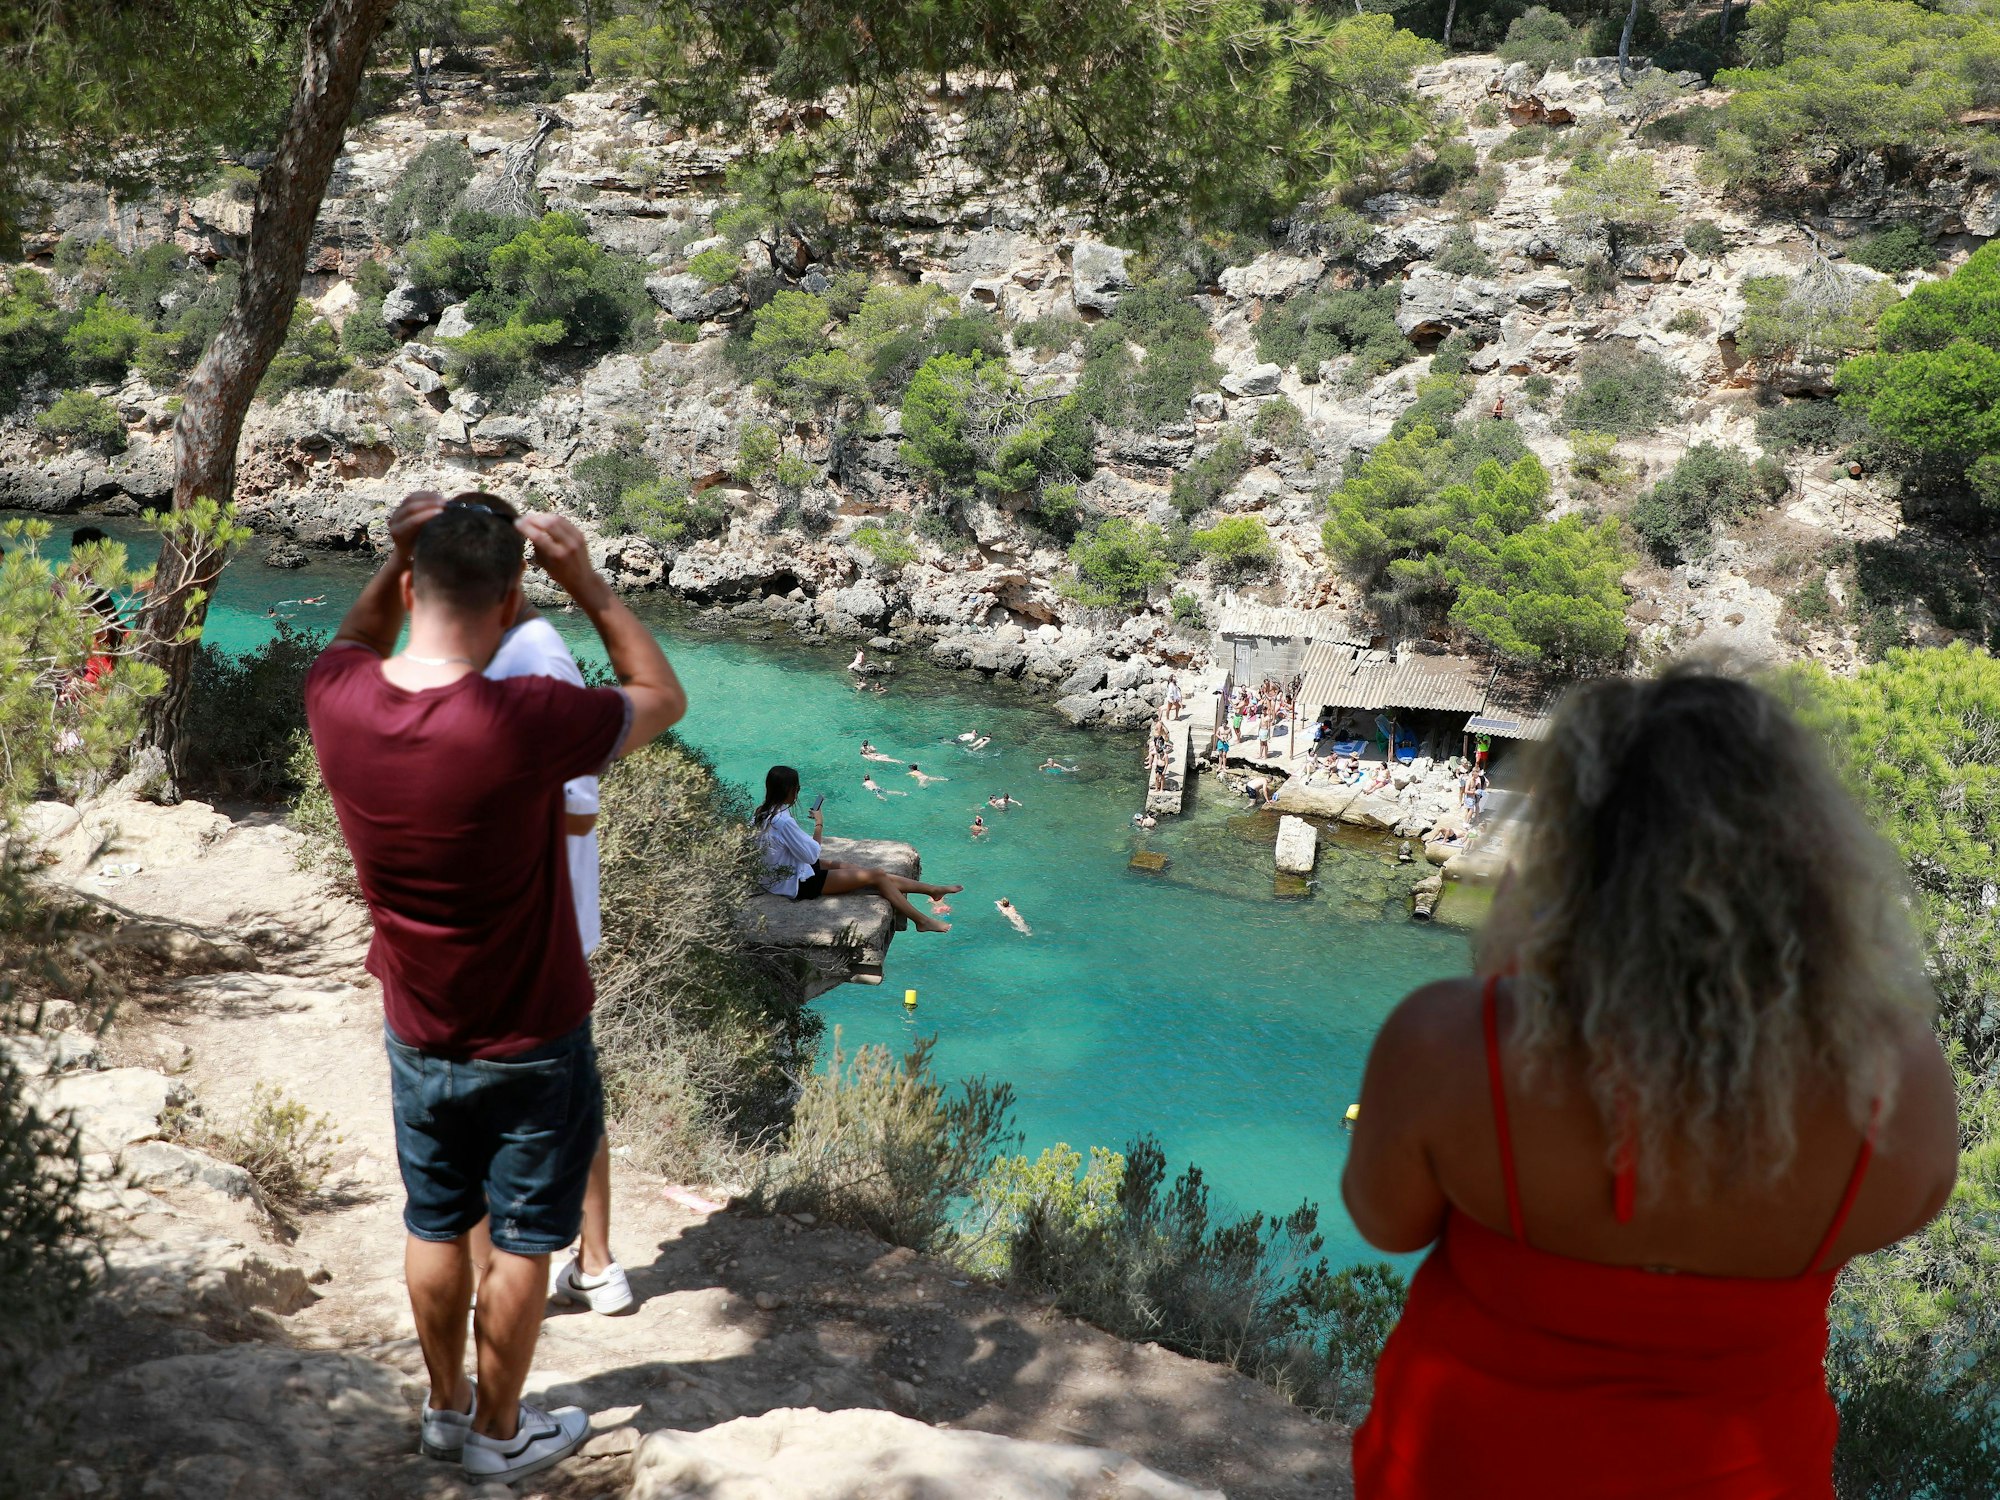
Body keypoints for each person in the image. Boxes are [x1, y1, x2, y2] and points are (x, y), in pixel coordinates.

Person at [1342, 665, 1958, 1498]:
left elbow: (1386, 1223)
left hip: (1467, 1465)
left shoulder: (1454, 1043)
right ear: (1810, 862)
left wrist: (1505, 961)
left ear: (1574, 857)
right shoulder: (1899, 1079)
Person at [304, 492, 688, 1483]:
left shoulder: (335, 696)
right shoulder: (521, 722)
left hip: (415, 1021)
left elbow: (355, 637)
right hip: (530, 1031)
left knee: (432, 1221)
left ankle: (442, 1411)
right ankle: (498, 1429)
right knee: (523, 1239)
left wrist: (389, 559)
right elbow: (660, 693)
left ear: (410, 580)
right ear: (514, 592)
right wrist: (588, 583)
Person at [473, 598, 628, 1318]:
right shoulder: (510, 647)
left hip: (533, 925)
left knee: (494, 1106)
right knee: (568, 1092)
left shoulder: (532, 654)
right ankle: (591, 1266)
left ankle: (521, 1283)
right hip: (548, 923)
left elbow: (579, 804)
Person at [751, 766, 958, 931]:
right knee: (876, 876)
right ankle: (921, 921)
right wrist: (819, 824)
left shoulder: (760, 813)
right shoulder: (784, 821)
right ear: (790, 790)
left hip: (780, 875)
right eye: (797, 788)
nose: (797, 792)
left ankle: (931, 890)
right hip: (796, 883)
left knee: (855, 869)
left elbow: (784, 849)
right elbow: (813, 853)